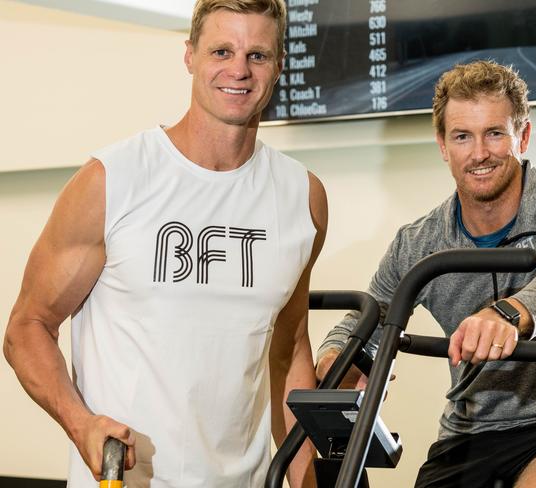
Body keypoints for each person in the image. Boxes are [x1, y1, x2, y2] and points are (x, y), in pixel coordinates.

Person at [3, 1, 325, 487]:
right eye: (222, 50)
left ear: (280, 65)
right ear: (190, 55)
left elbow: (288, 351)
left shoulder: (302, 197)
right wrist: (82, 424)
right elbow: (26, 327)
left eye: (257, 55)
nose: (238, 69)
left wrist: (307, 480)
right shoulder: (114, 180)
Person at [316, 60, 536, 488]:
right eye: (463, 136)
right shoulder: (420, 243)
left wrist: (509, 315)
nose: (479, 153)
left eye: (495, 133)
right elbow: (362, 321)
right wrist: (336, 362)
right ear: (443, 145)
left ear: (523, 135)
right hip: (470, 431)